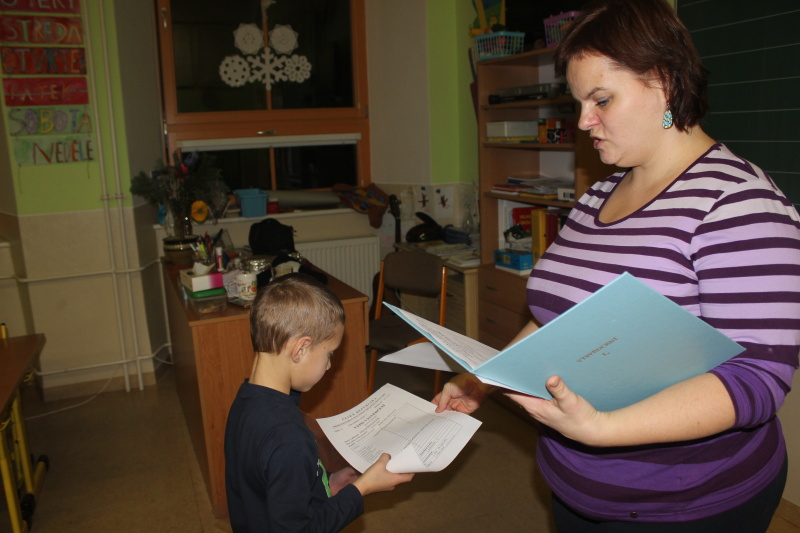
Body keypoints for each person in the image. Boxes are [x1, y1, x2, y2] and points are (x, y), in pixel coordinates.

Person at [435, 0, 800, 531]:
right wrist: (483, 380)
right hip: (573, 480)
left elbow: (757, 380)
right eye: (579, 102)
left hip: (686, 499)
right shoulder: (596, 196)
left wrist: (604, 429)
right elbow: (558, 319)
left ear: (665, 82)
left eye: (601, 99)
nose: (584, 121)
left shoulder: (739, 205)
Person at [225, 273, 413, 532]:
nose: (328, 366)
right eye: (330, 354)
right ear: (300, 349)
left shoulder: (247, 399)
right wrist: (361, 489)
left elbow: (270, 485)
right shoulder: (288, 437)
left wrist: (326, 483)